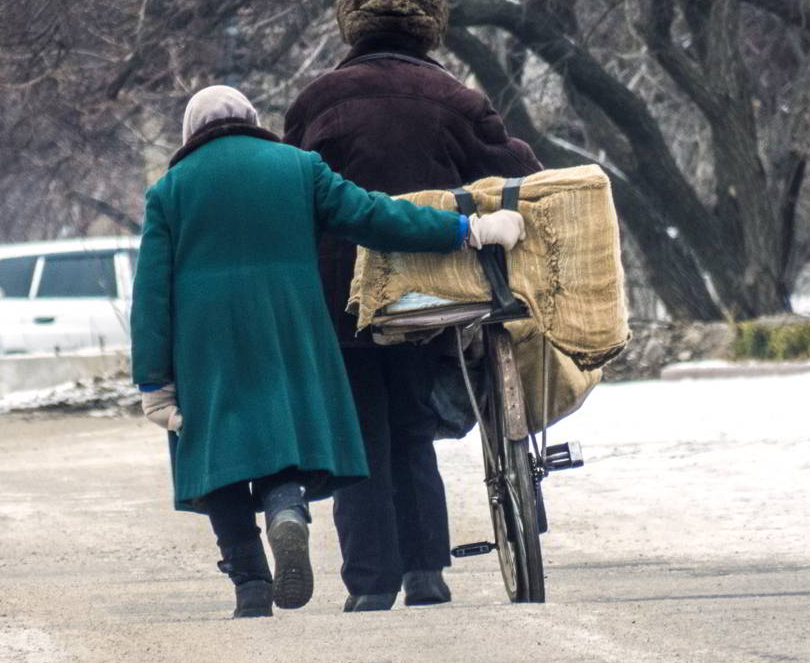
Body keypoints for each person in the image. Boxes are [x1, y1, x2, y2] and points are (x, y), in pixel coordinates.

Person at [130, 85, 525, 618]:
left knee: (214, 447)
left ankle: (250, 583)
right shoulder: (296, 167)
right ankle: (286, 505)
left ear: (189, 133)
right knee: (279, 430)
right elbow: (375, 217)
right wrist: (467, 229)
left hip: (204, 339)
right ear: (251, 119)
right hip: (290, 325)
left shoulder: (169, 190)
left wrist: (154, 381)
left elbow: (151, 292)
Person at [283, 0, 544, 612]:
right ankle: (428, 570)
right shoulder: (456, 98)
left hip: (341, 294)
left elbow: (293, 189)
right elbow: (519, 175)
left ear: (354, 32)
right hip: (438, 291)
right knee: (410, 429)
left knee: (361, 432)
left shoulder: (319, 99)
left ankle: (371, 584)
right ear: (427, 35)